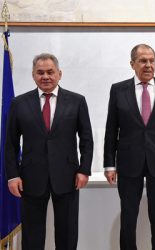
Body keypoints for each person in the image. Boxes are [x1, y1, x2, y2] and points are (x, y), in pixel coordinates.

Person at [5, 53, 94, 250]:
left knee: (67, 233)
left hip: (68, 176)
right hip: (30, 178)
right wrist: (12, 176)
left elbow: (86, 140)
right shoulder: (19, 103)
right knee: (32, 235)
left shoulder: (77, 101)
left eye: (50, 72)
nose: (45, 76)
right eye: (40, 72)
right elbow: (10, 143)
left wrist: (84, 169)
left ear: (59, 74)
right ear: (33, 75)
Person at [104, 44, 155, 250]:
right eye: (143, 61)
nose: (148, 65)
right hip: (128, 162)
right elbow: (111, 129)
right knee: (129, 215)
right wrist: (109, 164)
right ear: (132, 64)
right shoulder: (118, 89)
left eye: (151, 61)